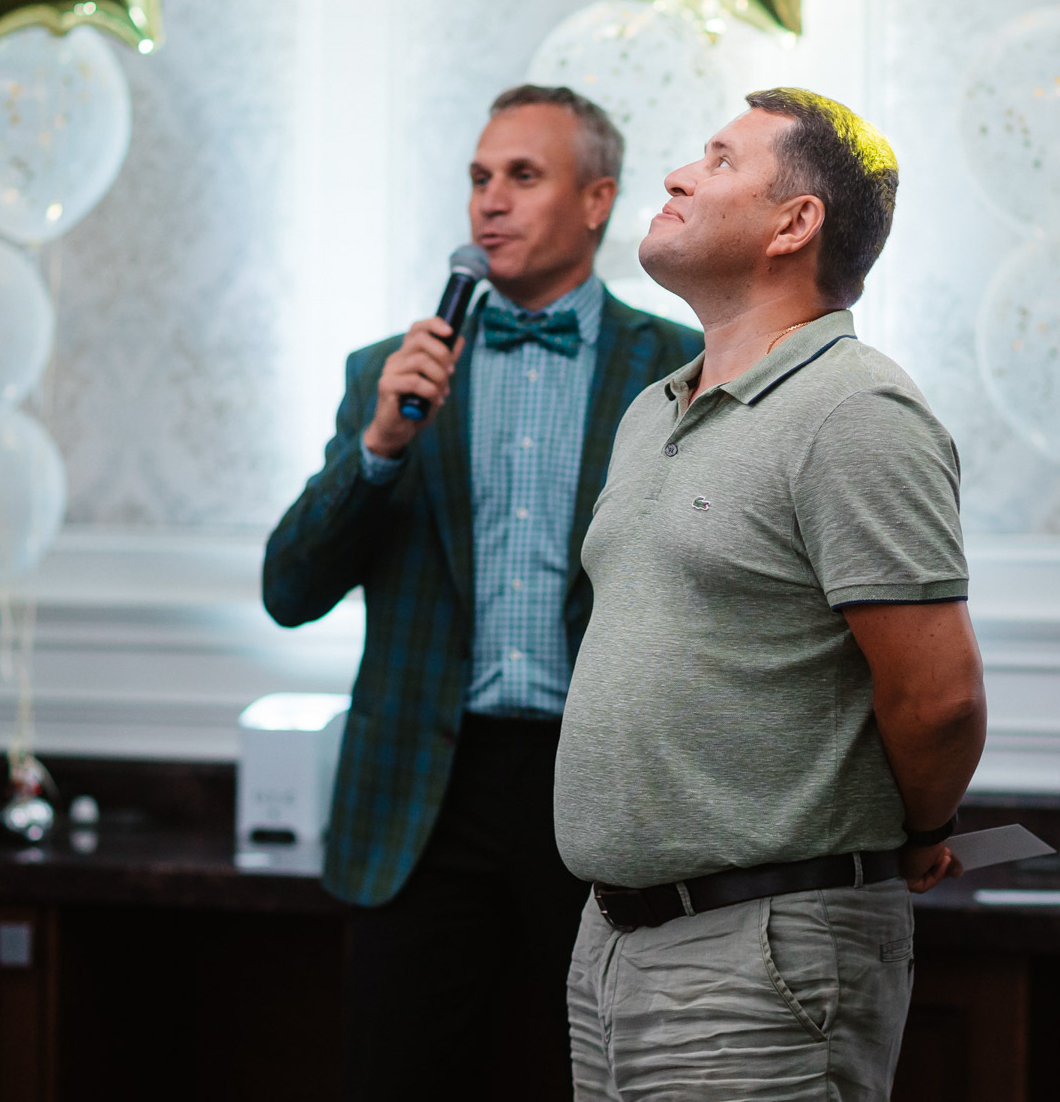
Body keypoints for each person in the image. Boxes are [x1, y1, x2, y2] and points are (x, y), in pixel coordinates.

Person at [262, 85, 702, 1101]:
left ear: (596, 201)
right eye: (478, 177)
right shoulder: (387, 373)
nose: (489, 201)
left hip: (601, 792)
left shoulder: (679, 370)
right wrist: (380, 446)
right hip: (424, 799)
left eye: (523, 175)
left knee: (594, 1081)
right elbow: (290, 588)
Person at [555, 87, 989, 1101]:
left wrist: (924, 831)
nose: (676, 175)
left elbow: (940, 698)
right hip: (610, 943)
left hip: (760, 949)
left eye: (718, 160)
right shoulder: (652, 409)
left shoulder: (856, 410)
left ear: (794, 224)